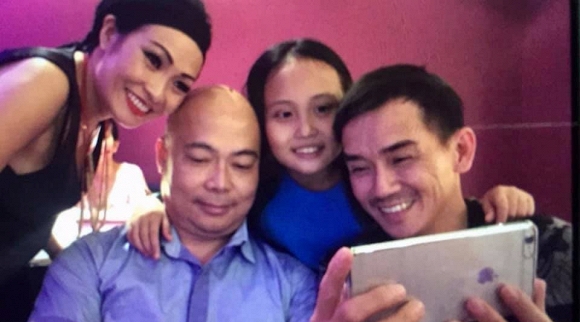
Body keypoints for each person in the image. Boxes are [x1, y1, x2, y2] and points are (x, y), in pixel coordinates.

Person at [11, 86, 352, 322]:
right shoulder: (92, 261)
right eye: (200, 159)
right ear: (163, 156)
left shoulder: (293, 282)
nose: (220, 183)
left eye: (241, 165)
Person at [283, 64, 573, 322]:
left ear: (461, 151)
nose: (381, 187)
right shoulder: (348, 268)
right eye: (360, 168)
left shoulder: (551, 249)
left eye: (401, 158)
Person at [129, 39, 536, 270]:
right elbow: (203, 202)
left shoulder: (373, 181)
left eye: (324, 109)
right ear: (260, 121)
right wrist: (152, 204)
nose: (306, 130)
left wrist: (497, 201)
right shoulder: (257, 186)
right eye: (283, 114)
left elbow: (437, 207)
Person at [0, 0, 211, 322]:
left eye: (180, 85)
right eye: (153, 60)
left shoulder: (95, 120)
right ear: (109, 33)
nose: (158, 92)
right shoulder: (46, 82)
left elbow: (23, 210)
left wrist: (73, 265)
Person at [51, 120, 151, 249]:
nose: (99, 143)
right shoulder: (75, 176)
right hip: (78, 248)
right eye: (94, 136)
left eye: (104, 137)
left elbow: (143, 214)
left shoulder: (130, 173)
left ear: (115, 146)